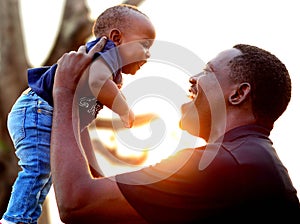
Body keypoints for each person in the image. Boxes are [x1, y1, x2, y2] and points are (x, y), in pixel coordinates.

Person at [50, 43, 300, 223]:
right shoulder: (246, 160)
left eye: (208, 71)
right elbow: (99, 209)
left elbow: (77, 203)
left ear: (237, 94)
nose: (193, 78)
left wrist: (63, 90)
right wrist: (79, 108)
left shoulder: (220, 166)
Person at [1, 4, 155, 224]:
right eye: (144, 45)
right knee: (37, 169)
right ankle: (16, 219)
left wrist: (95, 171)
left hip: (37, 112)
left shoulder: (106, 64)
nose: (148, 54)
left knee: (44, 173)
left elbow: (79, 119)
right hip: (37, 110)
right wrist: (124, 110)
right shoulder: (106, 52)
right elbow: (97, 80)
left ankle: (24, 217)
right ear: (116, 38)